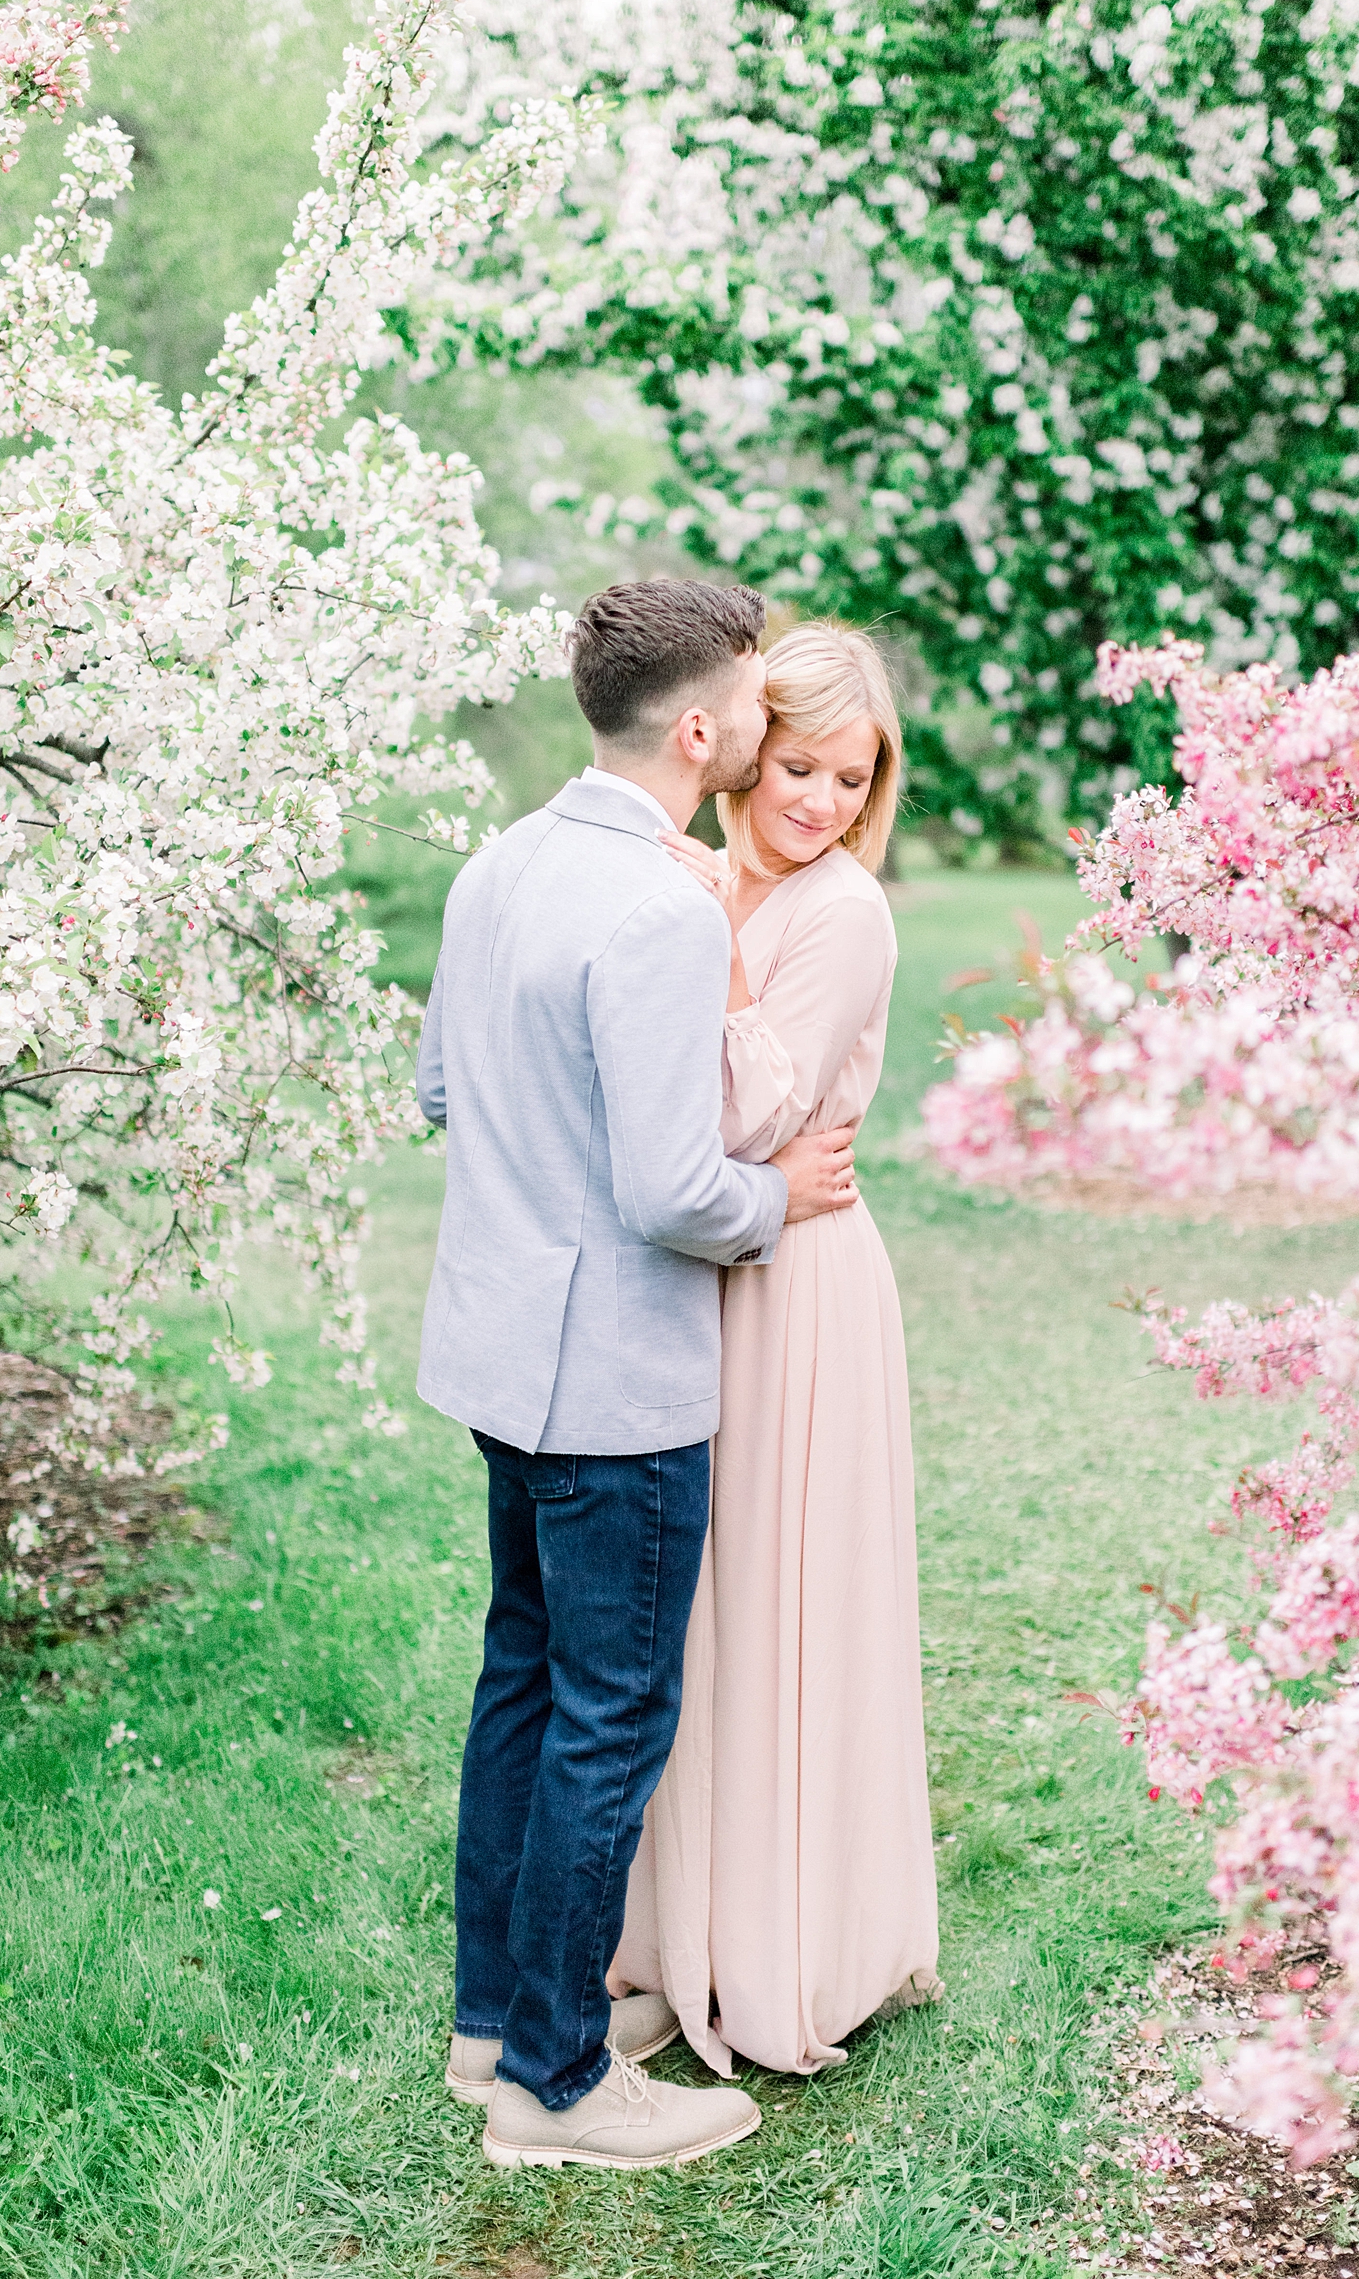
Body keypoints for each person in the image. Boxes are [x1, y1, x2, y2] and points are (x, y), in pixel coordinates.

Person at [414, 578, 860, 2173]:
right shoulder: (663, 910)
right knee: (608, 1721)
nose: (765, 722)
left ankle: (493, 2024)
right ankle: (556, 2087)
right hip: (611, 1384)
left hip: (493, 1353)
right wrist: (779, 1198)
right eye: (750, 701)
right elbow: (679, 1188)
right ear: (698, 729)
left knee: (521, 1687)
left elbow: (443, 1087)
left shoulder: (499, 864)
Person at [611, 622, 942, 2074]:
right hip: (700, 1271)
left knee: (785, 1600)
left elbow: (753, 1118)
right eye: (797, 765)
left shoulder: (841, 912)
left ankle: (786, 1942)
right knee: (696, 1610)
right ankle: (675, 1923)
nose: (815, 801)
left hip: (800, 1283)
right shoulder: (690, 870)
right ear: (747, 748)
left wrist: (714, 948)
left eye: (847, 777)